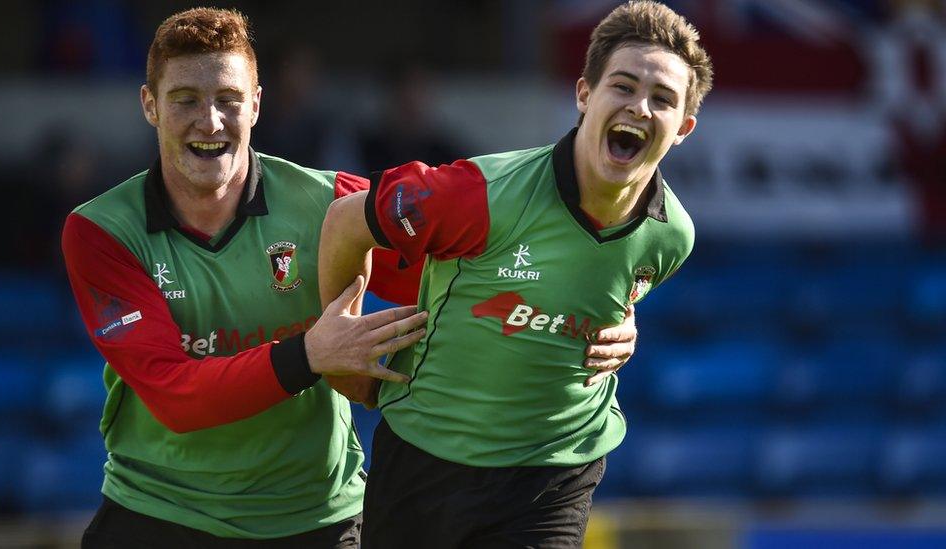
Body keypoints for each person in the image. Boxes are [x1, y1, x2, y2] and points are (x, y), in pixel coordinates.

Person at [61, 7, 638, 547]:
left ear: (256, 105)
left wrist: (589, 311)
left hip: (315, 519)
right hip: (157, 515)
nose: (209, 120)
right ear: (149, 105)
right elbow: (174, 396)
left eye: (228, 99)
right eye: (184, 98)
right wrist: (309, 354)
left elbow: (480, 277)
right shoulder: (101, 231)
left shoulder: (332, 205)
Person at [317, 1, 713, 547]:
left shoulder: (674, 238)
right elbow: (344, 220)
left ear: (683, 128)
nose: (640, 107)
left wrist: (624, 329)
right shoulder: (479, 194)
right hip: (427, 459)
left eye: (662, 99)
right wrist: (340, 352)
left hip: (554, 473)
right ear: (583, 95)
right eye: (622, 87)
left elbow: (600, 293)